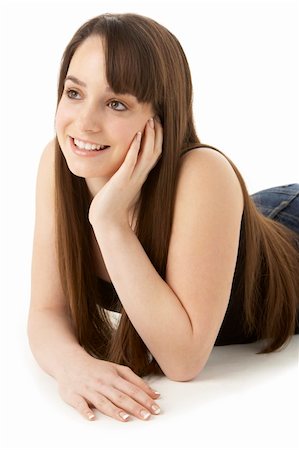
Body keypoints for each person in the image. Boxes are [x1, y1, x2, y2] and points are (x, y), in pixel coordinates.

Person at [28, 12, 299, 423]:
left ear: (160, 118)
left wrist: (109, 221)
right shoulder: (59, 164)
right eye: (74, 93)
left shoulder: (203, 172)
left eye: (116, 103)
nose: (83, 123)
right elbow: (46, 311)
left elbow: (184, 359)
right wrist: (73, 367)